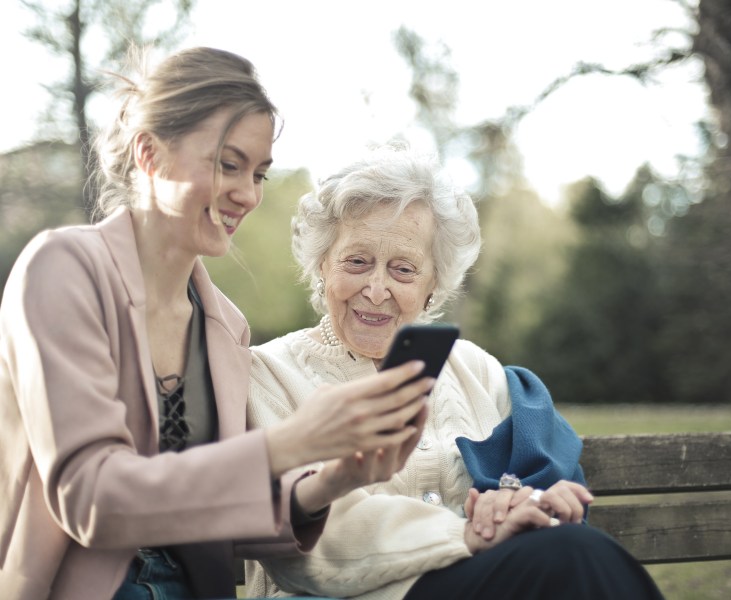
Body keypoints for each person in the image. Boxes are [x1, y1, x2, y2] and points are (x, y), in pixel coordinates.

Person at [0, 48, 432, 600]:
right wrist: (289, 442)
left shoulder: (225, 326)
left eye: (258, 174)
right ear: (150, 154)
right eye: (228, 165)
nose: (248, 195)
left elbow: (215, 513)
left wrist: (331, 480)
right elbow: (91, 499)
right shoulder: (62, 270)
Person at [246, 146, 665, 599]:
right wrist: (465, 535)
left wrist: (517, 504)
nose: (376, 288)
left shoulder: (479, 371)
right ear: (323, 264)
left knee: (575, 551)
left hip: (491, 584)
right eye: (357, 262)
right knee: (577, 556)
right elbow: (307, 539)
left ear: (433, 285)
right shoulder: (267, 374)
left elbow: (534, 484)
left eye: (403, 269)